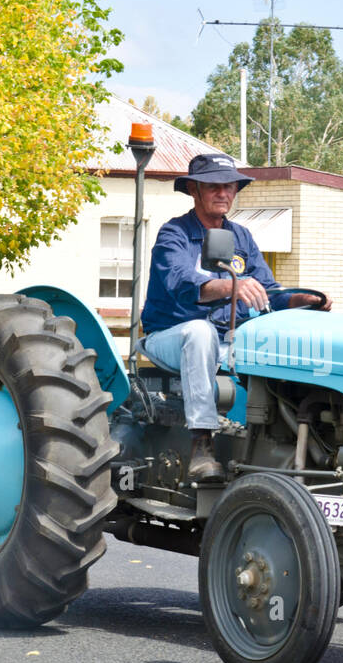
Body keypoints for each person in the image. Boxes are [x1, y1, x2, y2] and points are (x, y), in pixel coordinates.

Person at [139, 153, 331, 481]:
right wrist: (231, 286)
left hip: (228, 341)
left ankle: (292, 444)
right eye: (213, 186)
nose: (223, 193)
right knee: (199, 332)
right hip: (171, 336)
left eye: (229, 185)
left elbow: (270, 291)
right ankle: (202, 442)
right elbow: (182, 283)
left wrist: (306, 299)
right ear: (194, 190)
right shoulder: (174, 235)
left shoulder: (241, 237)